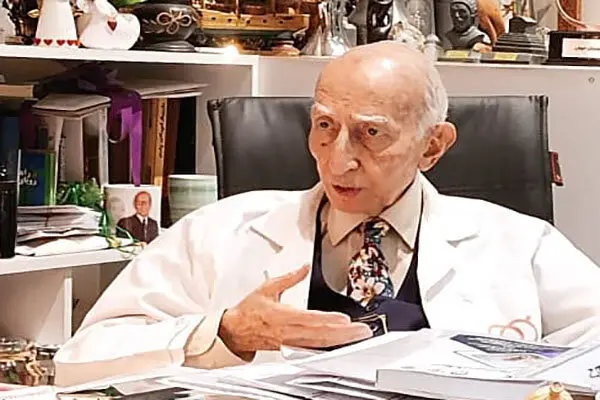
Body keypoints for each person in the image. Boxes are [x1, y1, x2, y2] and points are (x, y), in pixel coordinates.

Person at [54, 41, 600, 386]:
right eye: (324, 126)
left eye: (371, 134)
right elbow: (79, 359)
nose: (339, 160)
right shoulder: (222, 230)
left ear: (432, 146)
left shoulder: (519, 243)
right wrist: (225, 334)